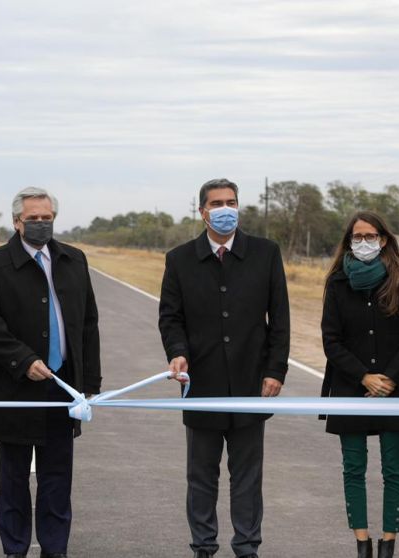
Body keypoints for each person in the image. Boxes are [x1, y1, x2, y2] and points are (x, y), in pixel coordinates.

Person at [158, 178, 290, 558]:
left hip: (252, 383)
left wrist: (275, 370)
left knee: (247, 477)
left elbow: (279, 318)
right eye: (216, 203)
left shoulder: (265, 253)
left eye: (231, 201)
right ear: (202, 211)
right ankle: (203, 545)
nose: (225, 209)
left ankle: (247, 545)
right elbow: (171, 318)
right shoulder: (180, 259)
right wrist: (177, 352)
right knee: (201, 476)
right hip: (201, 385)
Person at [0, 187, 101, 558]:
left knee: (57, 477)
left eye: (47, 218)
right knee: (13, 477)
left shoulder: (75, 260)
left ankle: (54, 548)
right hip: (13, 387)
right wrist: (23, 360)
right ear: (16, 222)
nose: (41, 224)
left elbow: (88, 323)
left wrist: (88, 383)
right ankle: (15, 548)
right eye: (33, 219)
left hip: (63, 386)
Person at [320, 211, 399, 558]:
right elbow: (331, 339)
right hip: (351, 387)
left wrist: (391, 379)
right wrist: (363, 376)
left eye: (370, 236)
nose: (363, 242)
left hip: (396, 389)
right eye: (357, 236)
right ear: (349, 241)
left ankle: (388, 543)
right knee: (353, 468)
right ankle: (362, 543)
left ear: (384, 240)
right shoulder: (337, 283)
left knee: (394, 469)